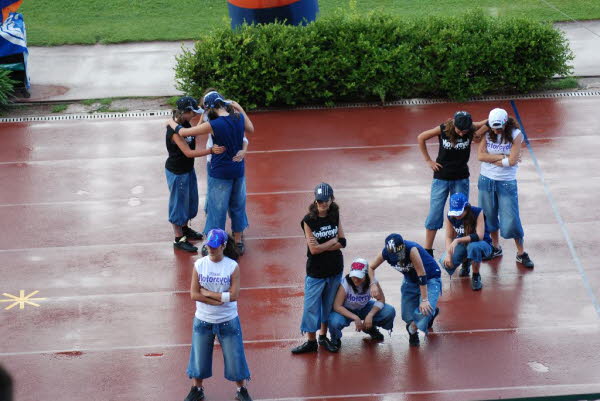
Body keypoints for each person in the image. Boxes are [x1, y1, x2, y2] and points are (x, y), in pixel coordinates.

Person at [168, 90, 254, 255]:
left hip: (220, 172)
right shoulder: (238, 118)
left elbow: (184, 132)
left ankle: (214, 244)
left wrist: (170, 123)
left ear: (209, 108)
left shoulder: (214, 124)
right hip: (238, 170)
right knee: (238, 204)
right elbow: (250, 130)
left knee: (217, 208)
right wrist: (239, 107)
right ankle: (238, 241)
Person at [184, 229, 252, 401]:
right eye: (209, 246)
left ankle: (241, 390)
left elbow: (234, 295)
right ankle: (196, 389)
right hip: (203, 319)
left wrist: (208, 293)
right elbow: (194, 294)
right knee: (199, 356)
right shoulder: (199, 265)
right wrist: (218, 300)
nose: (211, 249)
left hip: (227, 320)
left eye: (215, 246)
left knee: (235, 357)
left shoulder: (232, 266)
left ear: (223, 246)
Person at [417, 111, 487, 257]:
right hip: (441, 178)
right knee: (435, 213)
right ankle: (427, 250)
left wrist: (496, 118)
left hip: (461, 178)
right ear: (454, 124)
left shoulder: (471, 127)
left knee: (460, 214)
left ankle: (458, 248)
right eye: (459, 131)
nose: (462, 134)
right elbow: (421, 137)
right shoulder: (443, 129)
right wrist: (428, 161)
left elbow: (485, 122)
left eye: (465, 131)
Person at [476, 108, 534, 268]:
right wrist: (502, 158)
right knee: (489, 216)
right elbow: (480, 156)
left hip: (506, 182)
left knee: (512, 219)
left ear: (505, 123)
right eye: (493, 127)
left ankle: (521, 253)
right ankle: (495, 247)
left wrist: (493, 159)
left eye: (499, 127)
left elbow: (513, 161)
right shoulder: (487, 132)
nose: (496, 130)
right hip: (486, 180)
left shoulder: (516, 134)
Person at [165, 96, 225, 253]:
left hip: (187, 170)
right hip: (177, 172)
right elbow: (188, 152)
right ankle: (179, 238)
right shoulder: (174, 131)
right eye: (193, 113)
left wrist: (201, 122)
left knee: (190, 201)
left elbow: (193, 134)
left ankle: (185, 229)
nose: (195, 116)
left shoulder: (184, 124)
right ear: (185, 112)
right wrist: (210, 151)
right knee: (178, 204)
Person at [292, 182, 346, 354]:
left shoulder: (335, 214)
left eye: (326, 200)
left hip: (335, 268)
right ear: (315, 200)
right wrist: (332, 242)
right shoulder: (308, 220)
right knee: (311, 306)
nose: (323, 204)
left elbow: (343, 242)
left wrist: (324, 245)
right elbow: (313, 251)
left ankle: (323, 337)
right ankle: (311, 341)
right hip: (316, 272)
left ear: (332, 199)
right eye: (320, 201)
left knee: (328, 305)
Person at [369, 234, 442, 347]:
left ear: (402, 247)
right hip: (410, 279)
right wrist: (373, 284)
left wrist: (424, 299)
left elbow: (422, 275)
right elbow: (370, 267)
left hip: (430, 278)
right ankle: (428, 316)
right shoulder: (385, 252)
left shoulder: (411, 249)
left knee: (425, 310)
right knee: (407, 316)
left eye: (398, 254)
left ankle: (414, 329)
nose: (396, 257)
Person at [328, 257, 396, 349]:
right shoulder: (346, 283)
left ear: (366, 275)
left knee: (389, 311)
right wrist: (355, 317)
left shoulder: (372, 282)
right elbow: (337, 306)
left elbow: (381, 299)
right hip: (346, 310)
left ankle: (370, 328)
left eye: (359, 276)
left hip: (364, 307)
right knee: (334, 321)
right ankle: (335, 338)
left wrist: (370, 315)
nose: (355, 279)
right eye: (353, 275)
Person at [439, 192, 493, 291]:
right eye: (455, 213)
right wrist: (448, 255)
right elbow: (449, 237)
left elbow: (479, 236)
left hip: (482, 244)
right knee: (444, 262)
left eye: (459, 212)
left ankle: (476, 275)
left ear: (466, 208)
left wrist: (458, 240)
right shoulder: (450, 216)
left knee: (473, 247)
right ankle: (466, 262)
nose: (456, 216)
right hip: (464, 244)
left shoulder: (477, 212)